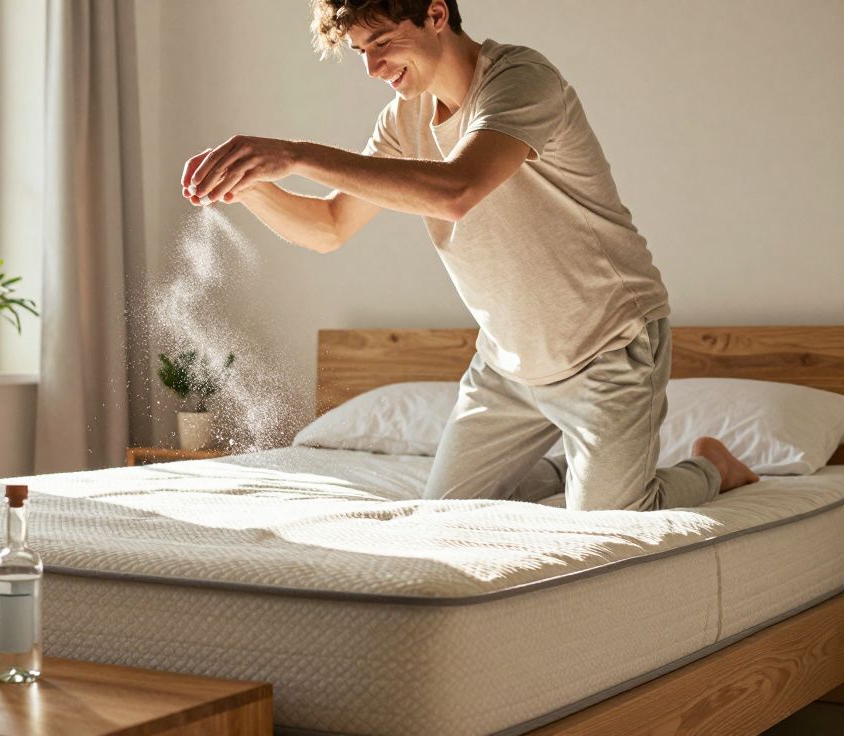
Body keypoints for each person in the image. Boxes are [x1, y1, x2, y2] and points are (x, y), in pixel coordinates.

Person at [179, 0, 759, 511]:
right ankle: (573, 470)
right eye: (360, 50)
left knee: (609, 526)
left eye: (381, 43)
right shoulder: (404, 119)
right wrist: (249, 185)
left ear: (436, 14)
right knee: (446, 515)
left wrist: (295, 154)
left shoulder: (520, 80)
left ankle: (712, 467)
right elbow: (329, 227)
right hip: (507, 364)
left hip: (605, 343)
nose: (373, 68)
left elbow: (458, 190)